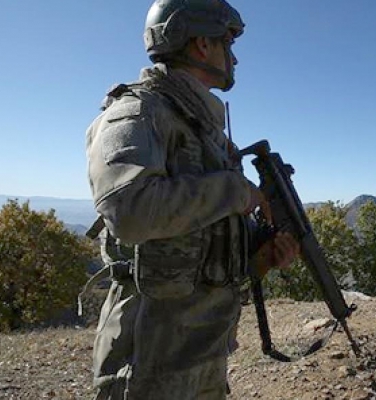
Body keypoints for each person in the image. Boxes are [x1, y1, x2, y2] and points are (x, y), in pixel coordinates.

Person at [84, 0, 299, 398]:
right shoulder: (135, 112)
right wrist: (236, 191)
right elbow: (130, 212)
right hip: (149, 361)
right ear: (202, 44)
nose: (234, 57)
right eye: (227, 44)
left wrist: (259, 255)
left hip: (203, 351)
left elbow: (199, 237)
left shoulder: (206, 130)